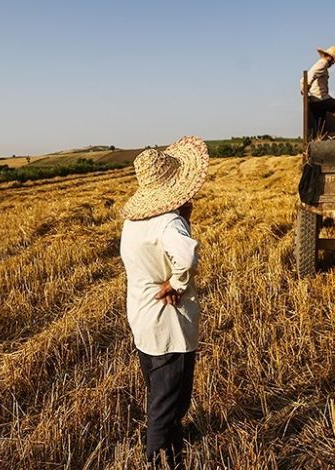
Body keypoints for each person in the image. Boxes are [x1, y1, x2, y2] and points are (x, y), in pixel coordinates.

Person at [120, 136, 208, 468]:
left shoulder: (133, 222)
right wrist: (176, 281)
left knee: (160, 388)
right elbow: (185, 255)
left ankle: (172, 439)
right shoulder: (169, 222)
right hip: (168, 320)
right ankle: (159, 459)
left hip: (143, 317)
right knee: (168, 399)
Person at [301, 45, 335, 135]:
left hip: (314, 101)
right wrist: (304, 89)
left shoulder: (321, 63)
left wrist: (306, 93)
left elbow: (307, 78)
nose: (332, 64)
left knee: (321, 125)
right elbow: (308, 77)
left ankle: (320, 140)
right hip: (321, 99)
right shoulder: (323, 63)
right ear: (331, 58)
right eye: (333, 61)